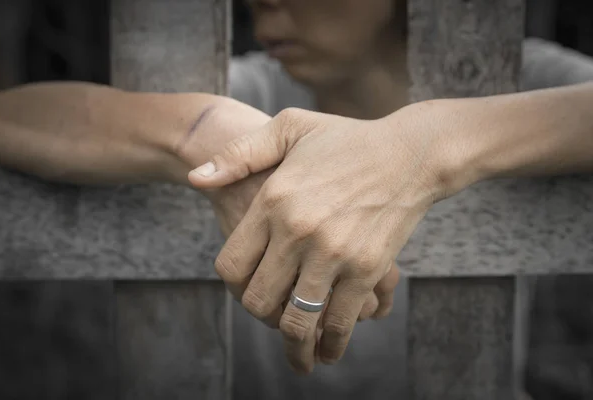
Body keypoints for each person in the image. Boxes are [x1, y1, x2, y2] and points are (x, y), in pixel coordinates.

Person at [214, 1, 593, 399]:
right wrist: (196, 136)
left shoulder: (503, 72)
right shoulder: (251, 93)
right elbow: (144, 114)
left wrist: (427, 144)